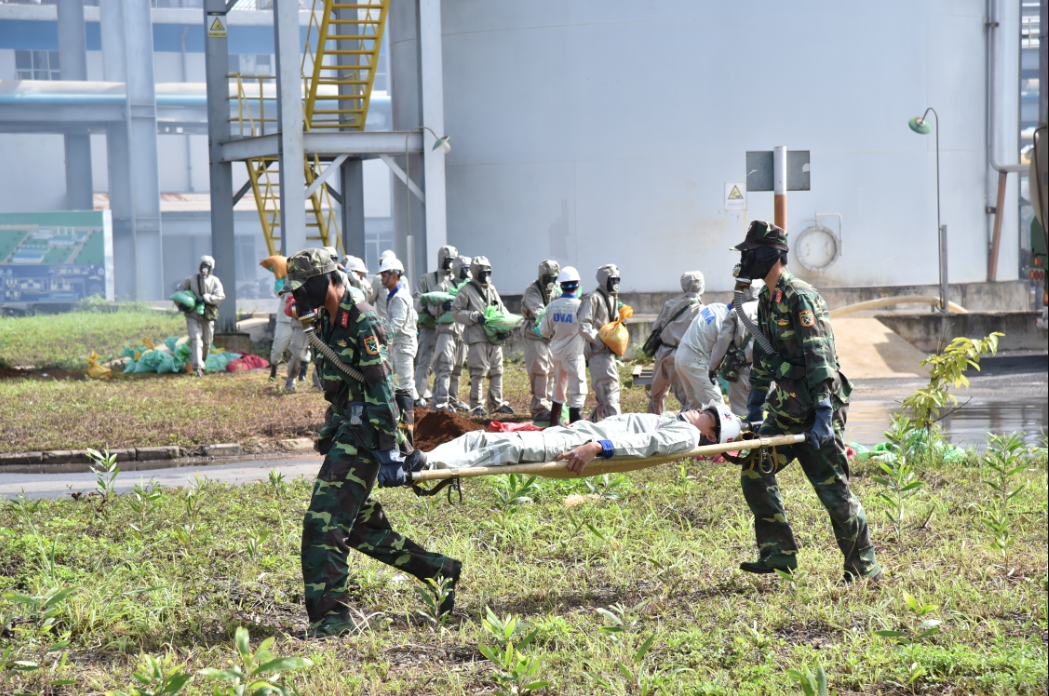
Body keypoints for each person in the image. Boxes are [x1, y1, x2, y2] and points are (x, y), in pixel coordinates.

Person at [282, 248, 461, 638]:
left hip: (367, 435)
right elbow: (341, 384)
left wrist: (390, 450)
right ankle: (439, 570)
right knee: (359, 526)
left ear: (327, 280)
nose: (297, 298)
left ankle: (332, 621)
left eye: (302, 289)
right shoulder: (326, 322)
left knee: (323, 524)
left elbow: (382, 388)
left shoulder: (362, 319)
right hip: (348, 429)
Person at [733, 220, 882, 583]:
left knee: (833, 491)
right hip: (785, 410)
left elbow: (820, 358)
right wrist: (753, 407)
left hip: (816, 409)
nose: (744, 260)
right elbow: (765, 354)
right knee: (755, 471)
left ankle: (864, 569)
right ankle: (779, 555)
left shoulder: (800, 296)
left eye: (750, 253)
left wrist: (824, 415)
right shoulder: (767, 299)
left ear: (770, 255)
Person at [423, 402, 741, 473]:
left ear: (710, 434)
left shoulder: (685, 434)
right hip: (577, 433)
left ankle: (429, 465)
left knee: (507, 446)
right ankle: (426, 460)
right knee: (488, 441)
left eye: (707, 414)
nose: (699, 409)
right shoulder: (675, 422)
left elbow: (645, 446)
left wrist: (597, 447)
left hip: (579, 442)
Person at [451, 255, 514, 417]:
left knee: (497, 371)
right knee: (478, 372)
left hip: (494, 338)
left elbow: (501, 309)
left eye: (488, 271)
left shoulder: (491, 289)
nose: (485, 275)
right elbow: (456, 312)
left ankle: (496, 402)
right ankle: (476, 404)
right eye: (482, 271)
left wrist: (508, 326)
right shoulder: (466, 290)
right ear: (474, 271)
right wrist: (475, 316)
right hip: (477, 337)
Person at [647, 272, 705, 415]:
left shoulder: (669, 304)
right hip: (683, 359)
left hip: (662, 355)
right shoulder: (702, 310)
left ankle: (653, 423)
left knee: (656, 396)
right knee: (689, 400)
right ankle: (685, 430)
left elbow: (656, 328)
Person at [539, 266, 587, 426]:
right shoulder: (582, 307)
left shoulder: (552, 307)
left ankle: (554, 424)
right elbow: (588, 331)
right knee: (578, 391)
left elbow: (544, 331)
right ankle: (576, 427)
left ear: (560, 285)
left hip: (557, 354)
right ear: (578, 285)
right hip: (575, 355)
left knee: (558, 388)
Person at [413, 245, 459, 408]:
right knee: (424, 361)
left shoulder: (457, 281)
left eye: (453, 260)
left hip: (450, 329)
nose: (450, 263)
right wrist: (432, 307)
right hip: (429, 327)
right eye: (447, 259)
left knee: (450, 364)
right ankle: (416, 395)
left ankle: (450, 398)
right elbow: (417, 301)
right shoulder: (427, 279)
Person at [708, 281, 762, 416]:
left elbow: (722, 342)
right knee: (765, 415)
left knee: (742, 416)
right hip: (766, 372)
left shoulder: (735, 312)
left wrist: (712, 367)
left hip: (741, 372)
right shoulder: (773, 311)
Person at [579, 264, 622, 421]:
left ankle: (595, 422)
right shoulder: (593, 298)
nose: (616, 282)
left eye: (618, 279)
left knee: (606, 391)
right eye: (613, 279)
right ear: (604, 280)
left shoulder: (612, 298)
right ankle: (615, 425)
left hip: (607, 352)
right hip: (598, 351)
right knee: (609, 389)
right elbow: (583, 325)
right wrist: (600, 342)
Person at [520, 260, 561, 421]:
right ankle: (539, 406)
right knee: (540, 369)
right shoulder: (532, 290)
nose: (550, 282)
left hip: (550, 334)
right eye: (547, 278)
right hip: (534, 333)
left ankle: (548, 404)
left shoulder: (556, 289)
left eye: (553, 278)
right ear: (541, 277)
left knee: (551, 369)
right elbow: (540, 313)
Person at [432, 255, 471, 413]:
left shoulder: (469, 288)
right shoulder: (442, 286)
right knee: (445, 366)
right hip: (446, 331)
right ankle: (441, 403)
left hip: (463, 331)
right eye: (465, 268)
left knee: (457, 368)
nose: (468, 272)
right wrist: (444, 306)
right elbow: (431, 309)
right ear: (457, 269)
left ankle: (453, 400)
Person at [175, 255, 225, 377]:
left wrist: (206, 298)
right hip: (192, 315)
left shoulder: (215, 281)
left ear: (211, 268)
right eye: (203, 265)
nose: (204, 268)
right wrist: (183, 305)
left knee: (207, 342)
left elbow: (220, 296)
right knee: (196, 340)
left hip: (207, 315)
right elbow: (178, 292)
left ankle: (203, 361)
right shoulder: (190, 280)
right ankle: (197, 368)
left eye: (207, 266)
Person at [675, 302, 731, 410]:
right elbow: (719, 354)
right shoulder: (727, 323)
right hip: (696, 362)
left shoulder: (715, 306)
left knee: (694, 406)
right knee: (717, 407)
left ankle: (687, 425)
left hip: (680, 356)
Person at [377, 257, 419, 400]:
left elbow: (397, 324)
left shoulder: (399, 298)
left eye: (384, 276)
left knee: (406, 383)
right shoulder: (396, 296)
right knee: (402, 382)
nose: (381, 279)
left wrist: (379, 333)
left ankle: (414, 413)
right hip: (400, 344)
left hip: (403, 345)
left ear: (394, 276)